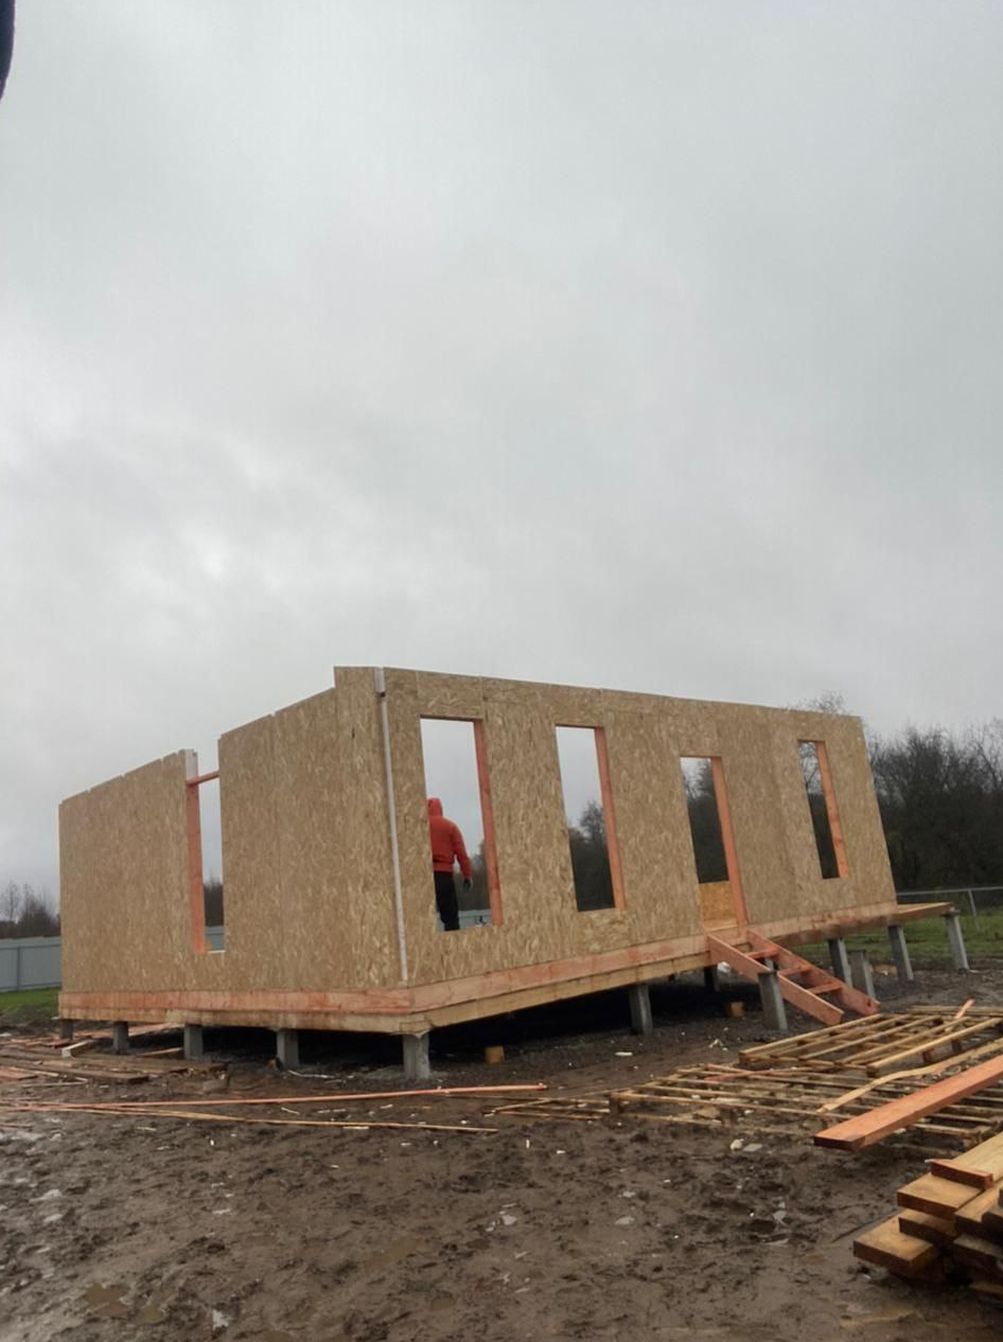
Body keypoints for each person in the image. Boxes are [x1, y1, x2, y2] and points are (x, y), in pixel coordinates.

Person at [427, 797, 471, 932]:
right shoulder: (450, 827)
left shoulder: (420, 827)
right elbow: (461, 854)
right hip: (444, 876)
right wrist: (467, 875)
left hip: (424, 877)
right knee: (451, 919)